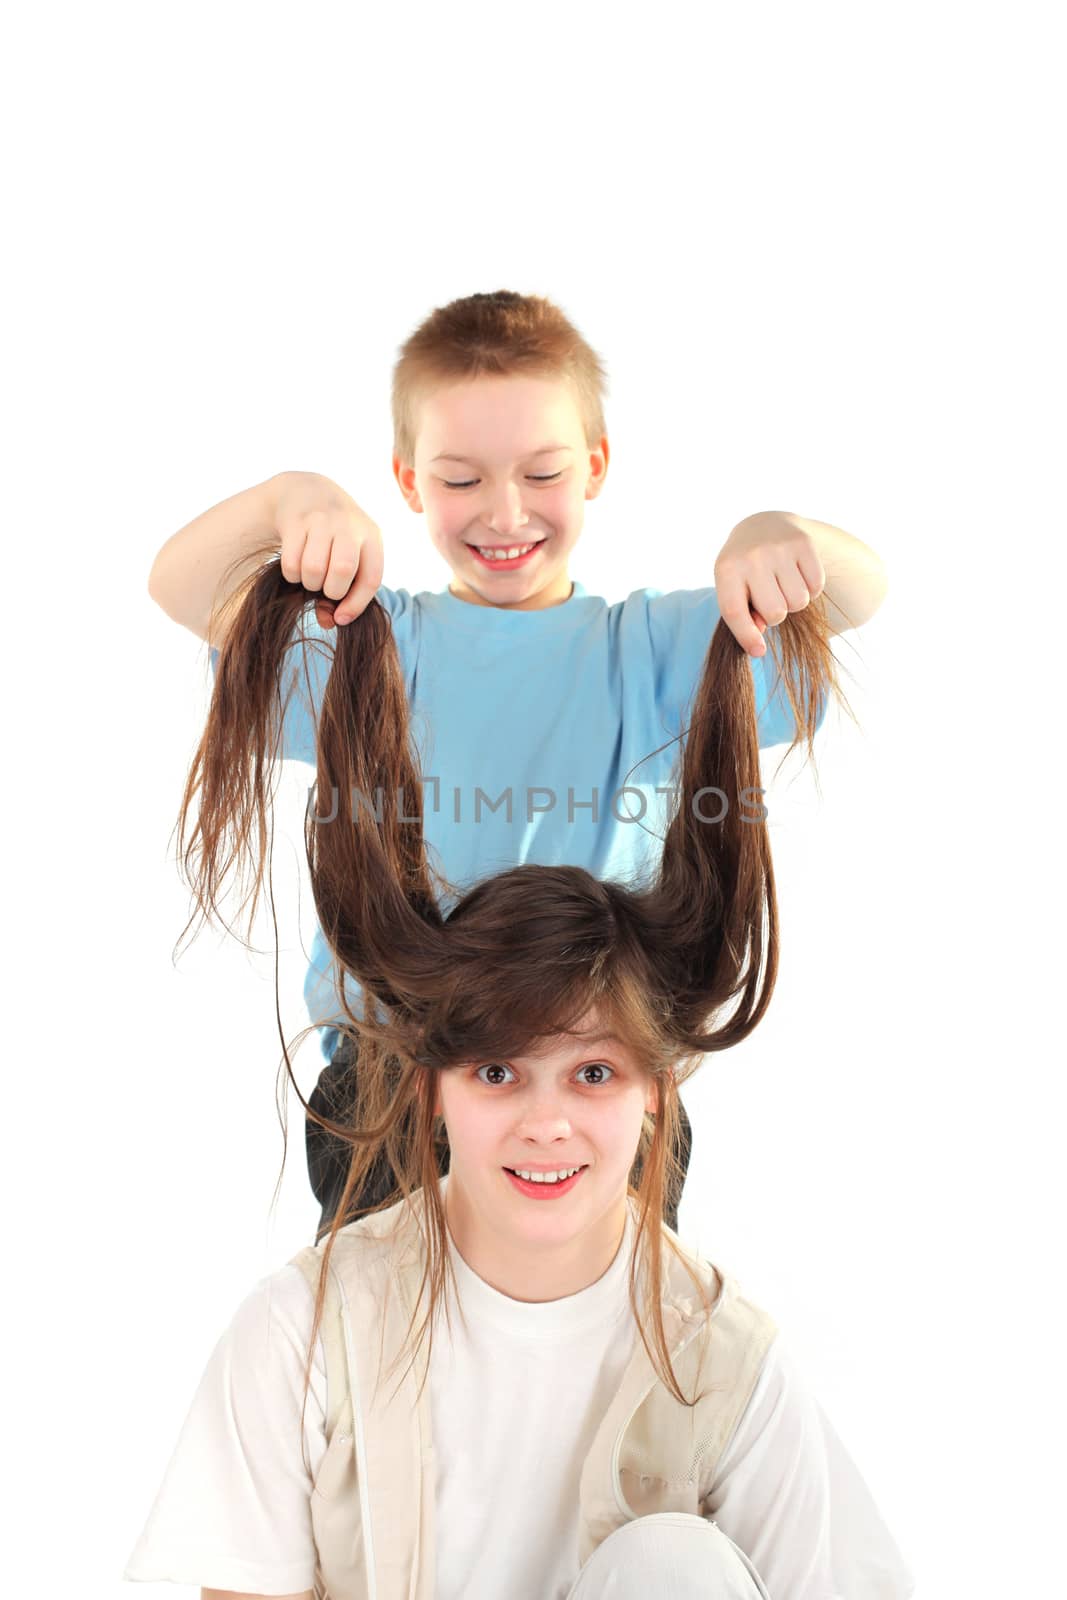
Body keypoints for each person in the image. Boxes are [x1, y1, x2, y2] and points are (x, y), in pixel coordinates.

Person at [125, 585, 913, 1599]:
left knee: (669, 1561)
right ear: (432, 1092)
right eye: (497, 1071)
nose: (546, 1122)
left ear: (654, 1099)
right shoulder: (304, 1329)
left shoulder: (720, 1353)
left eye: (593, 1073)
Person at [149, 289, 889, 1238]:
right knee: (386, 1357)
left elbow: (860, 594)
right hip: (391, 1082)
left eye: (541, 473)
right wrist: (291, 497)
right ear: (408, 481)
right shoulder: (368, 647)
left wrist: (780, 534)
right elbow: (180, 590)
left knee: (604, 1362)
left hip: (596, 1074)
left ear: (595, 467)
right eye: (460, 480)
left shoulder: (653, 652)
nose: (505, 512)